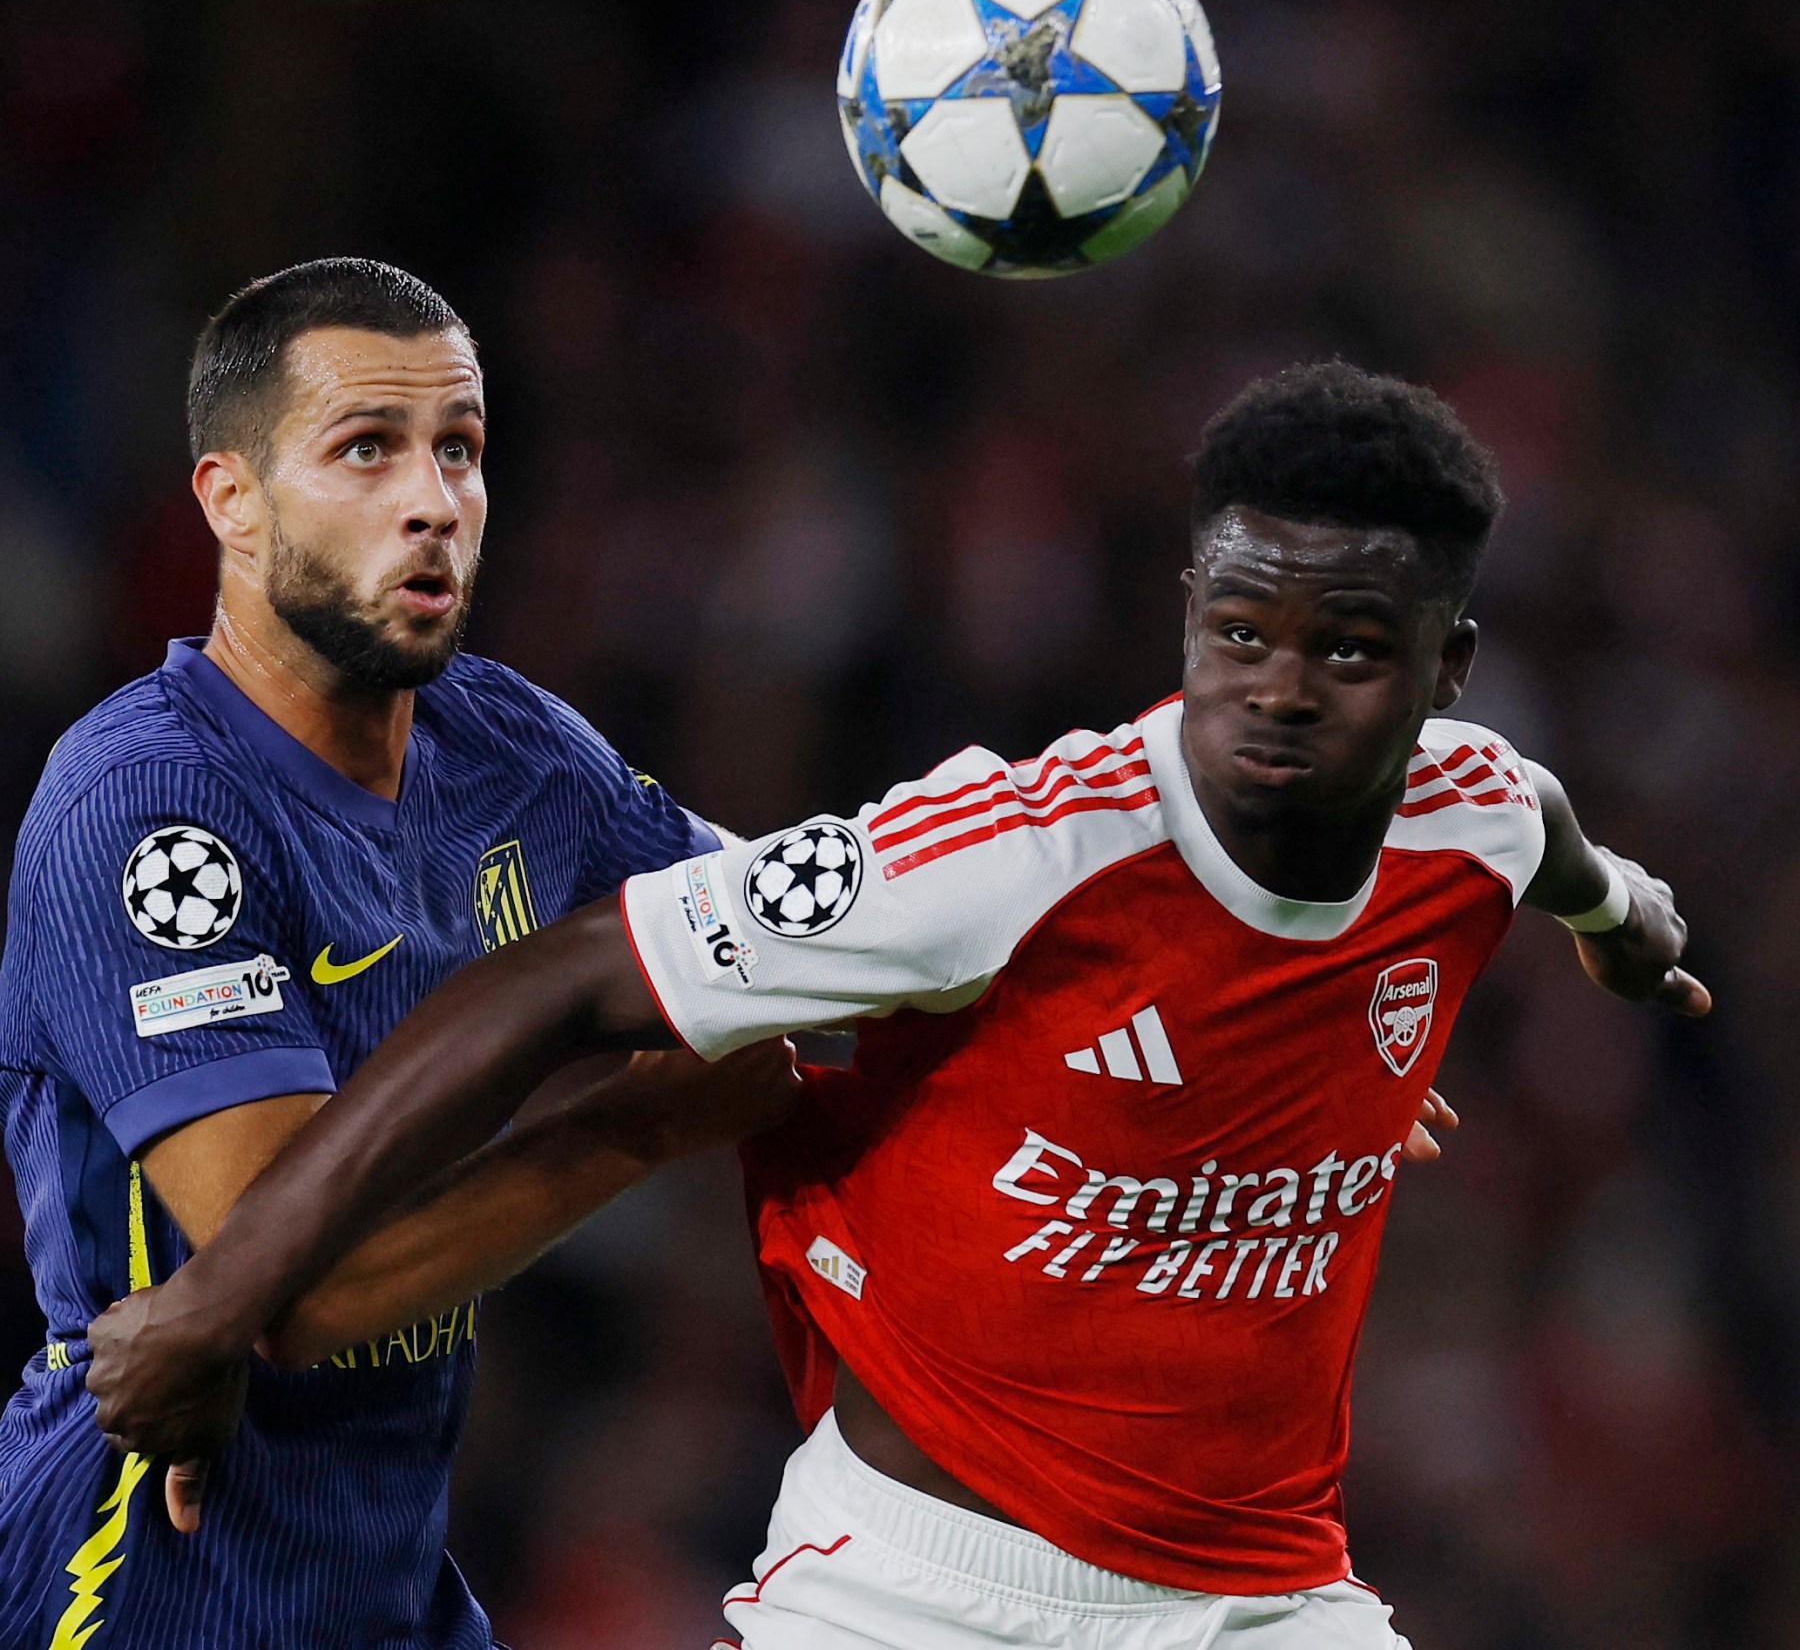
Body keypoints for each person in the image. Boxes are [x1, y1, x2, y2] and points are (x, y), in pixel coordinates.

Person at [86, 361, 1708, 1649]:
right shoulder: (1014, 852)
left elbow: (1561, 846)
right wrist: (220, 1306)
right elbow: (562, 978)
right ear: (1189, 615)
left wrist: (1627, 931)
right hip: (921, 1590)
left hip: (1269, 1599)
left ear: (1446, 669)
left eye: (1348, 653)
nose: (1277, 690)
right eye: (1239, 633)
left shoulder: (1473, 813)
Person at [0, 257, 797, 1650]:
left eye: (460, 449)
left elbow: (788, 933)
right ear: (232, 502)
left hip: (387, 1581)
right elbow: (298, 1285)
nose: (434, 500)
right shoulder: (147, 806)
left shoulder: (511, 750)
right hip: (147, 1581)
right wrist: (634, 1127)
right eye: (367, 448)